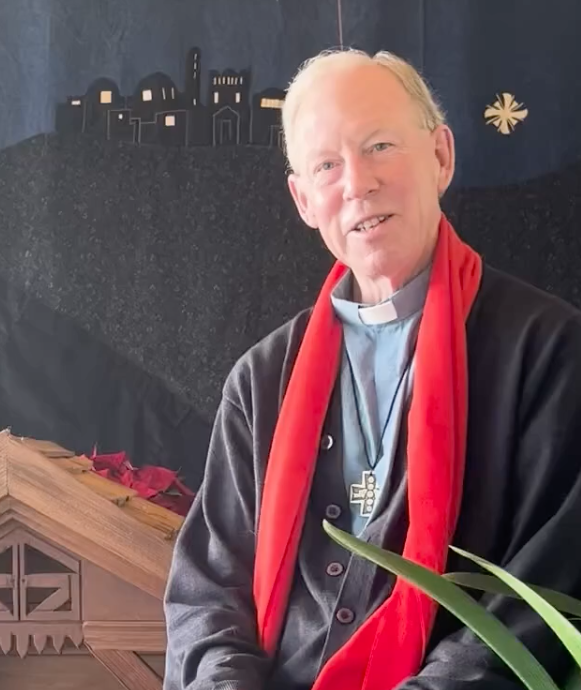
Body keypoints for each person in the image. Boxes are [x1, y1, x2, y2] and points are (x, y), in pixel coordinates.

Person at [163, 48, 580, 689]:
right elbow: (208, 592)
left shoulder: (550, 353)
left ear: (440, 156)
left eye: (380, 145)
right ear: (304, 200)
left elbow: (541, 598)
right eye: (327, 164)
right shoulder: (261, 380)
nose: (357, 182)